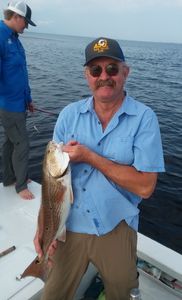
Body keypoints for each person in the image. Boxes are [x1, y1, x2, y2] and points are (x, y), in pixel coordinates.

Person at [34, 37, 165, 299]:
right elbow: (51, 184)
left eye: (112, 69)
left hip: (116, 226)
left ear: (125, 73)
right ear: (87, 76)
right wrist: (42, 229)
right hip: (69, 225)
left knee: (122, 292)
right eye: (96, 70)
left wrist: (91, 157)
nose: (104, 76)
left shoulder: (144, 118)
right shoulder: (69, 115)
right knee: (52, 294)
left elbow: (146, 186)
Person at [0, 1, 36, 200]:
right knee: (21, 143)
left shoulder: (14, 38)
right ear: (16, 17)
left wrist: (28, 98)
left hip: (18, 102)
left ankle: (9, 178)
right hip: (8, 105)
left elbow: (20, 72)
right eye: (26, 22)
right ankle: (20, 185)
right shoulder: (0, 36)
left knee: (10, 142)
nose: (26, 26)